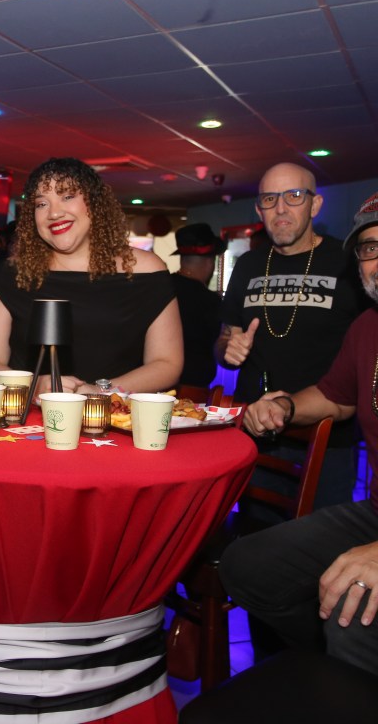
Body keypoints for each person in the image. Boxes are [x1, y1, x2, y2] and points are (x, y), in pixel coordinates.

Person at [219, 190, 378, 678]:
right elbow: (336, 397)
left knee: (352, 617)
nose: (377, 260)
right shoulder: (368, 328)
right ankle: (318, 669)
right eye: (369, 248)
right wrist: (286, 406)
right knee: (245, 564)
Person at [215, 162, 364, 510]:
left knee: (320, 552)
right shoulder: (249, 266)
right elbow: (223, 342)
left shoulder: (347, 264)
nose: (280, 208)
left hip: (327, 439)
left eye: (294, 196)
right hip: (255, 434)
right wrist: (227, 349)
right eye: (269, 199)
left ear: (315, 205)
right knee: (254, 545)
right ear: (259, 209)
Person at [0, 156, 182, 394]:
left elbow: (167, 363)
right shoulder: (14, 272)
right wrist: (32, 386)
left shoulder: (144, 270)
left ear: (94, 203)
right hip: (31, 422)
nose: (54, 213)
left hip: (115, 420)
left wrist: (102, 391)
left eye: (67, 196)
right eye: (41, 204)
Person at [170, 222, 224, 388]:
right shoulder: (209, 300)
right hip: (194, 390)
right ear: (210, 262)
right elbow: (220, 346)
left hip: (156, 383)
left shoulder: (161, 287)